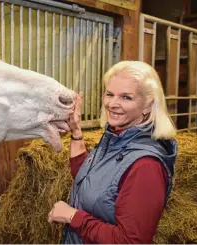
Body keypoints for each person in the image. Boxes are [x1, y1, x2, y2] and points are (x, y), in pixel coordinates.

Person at [47, 61, 178, 244]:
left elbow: (131, 242)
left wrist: (73, 217)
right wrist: (76, 132)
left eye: (126, 97)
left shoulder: (146, 166)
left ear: (148, 106)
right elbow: (92, 179)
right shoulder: (117, 137)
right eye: (109, 94)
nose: (112, 104)